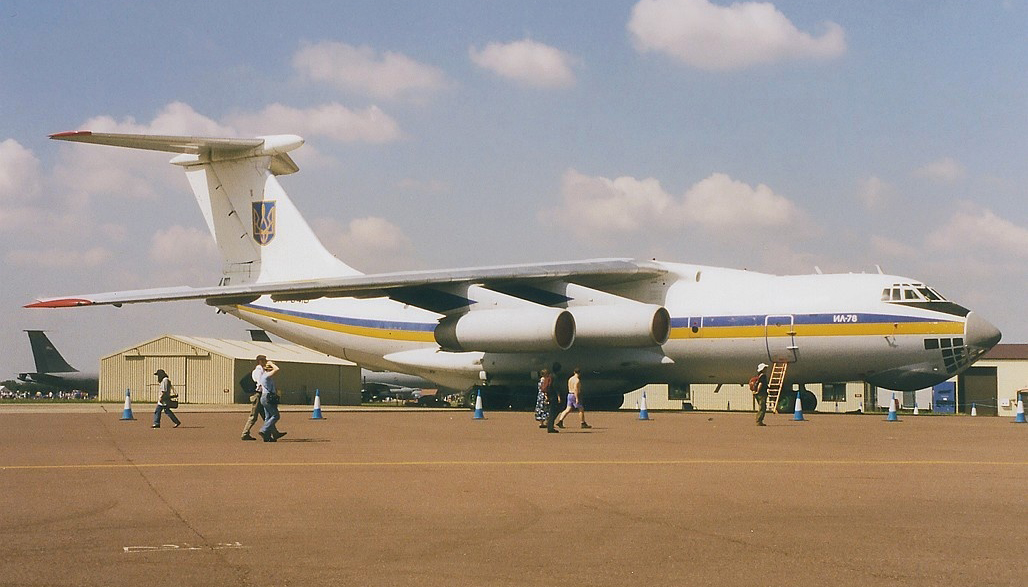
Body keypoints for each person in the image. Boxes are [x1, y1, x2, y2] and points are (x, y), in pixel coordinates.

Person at [256, 356, 286, 442]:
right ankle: (264, 430)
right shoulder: (267, 375)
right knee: (276, 415)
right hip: (268, 397)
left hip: (264, 396)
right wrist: (271, 364)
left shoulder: (264, 376)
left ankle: (267, 436)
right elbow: (277, 369)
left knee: (268, 417)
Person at [240, 368, 264, 441]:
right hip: (257, 395)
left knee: (265, 415)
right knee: (253, 416)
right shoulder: (259, 372)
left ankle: (274, 432)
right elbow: (260, 384)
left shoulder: (257, 371)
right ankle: (245, 433)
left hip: (257, 395)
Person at [540, 368, 559, 433]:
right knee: (552, 412)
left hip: (548, 395)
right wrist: (558, 395)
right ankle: (550, 427)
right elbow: (554, 386)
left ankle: (549, 425)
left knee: (550, 411)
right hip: (552, 395)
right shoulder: (552, 378)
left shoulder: (545, 379)